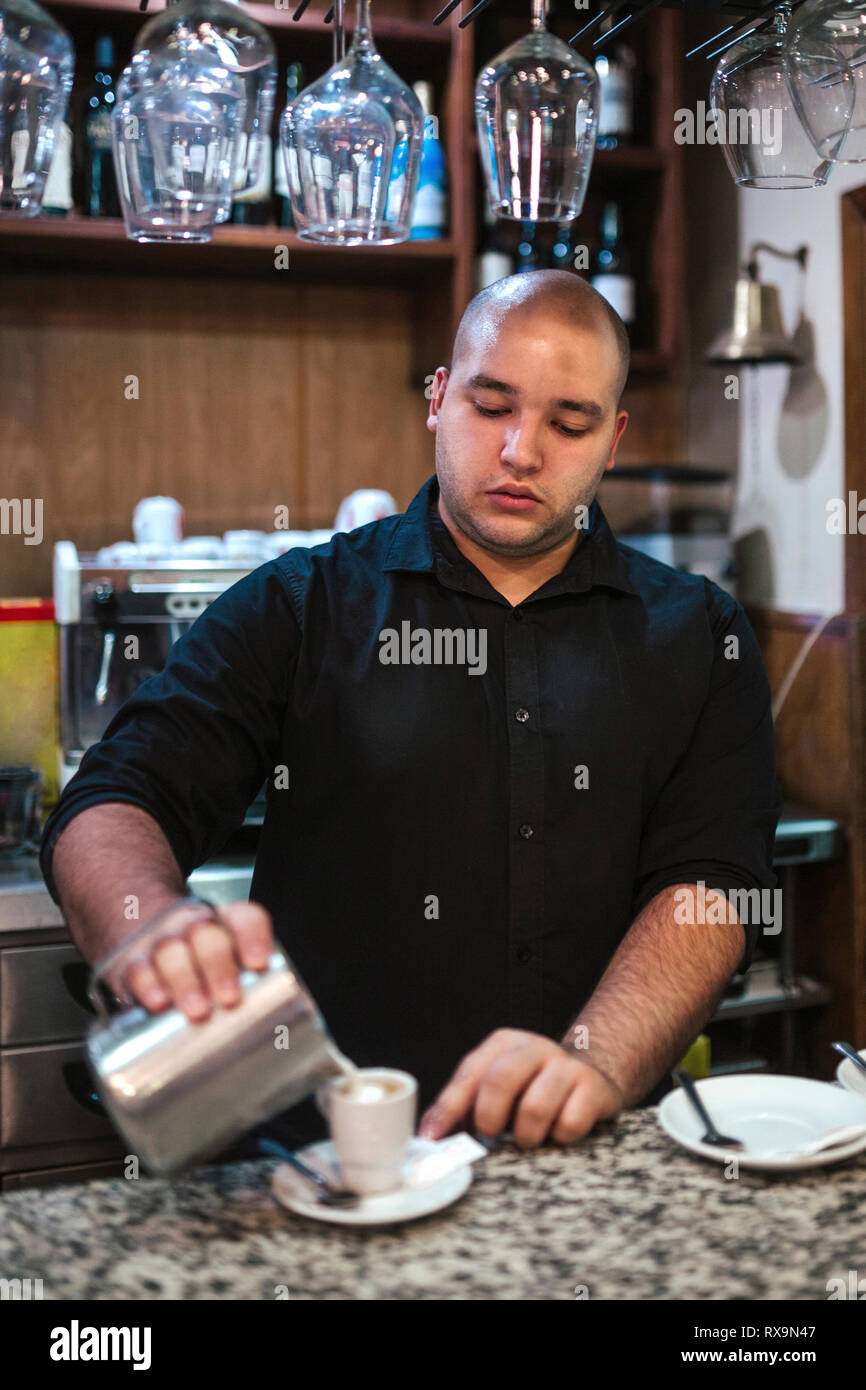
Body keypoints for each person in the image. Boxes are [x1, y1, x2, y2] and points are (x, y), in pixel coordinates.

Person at [40, 269, 781, 1153]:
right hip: (324, 1166)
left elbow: (713, 885)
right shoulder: (302, 606)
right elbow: (115, 796)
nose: (520, 451)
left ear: (613, 438)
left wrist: (597, 1058)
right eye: (490, 405)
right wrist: (148, 926)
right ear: (438, 398)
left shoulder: (700, 633)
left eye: (568, 422)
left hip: (580, 1162)